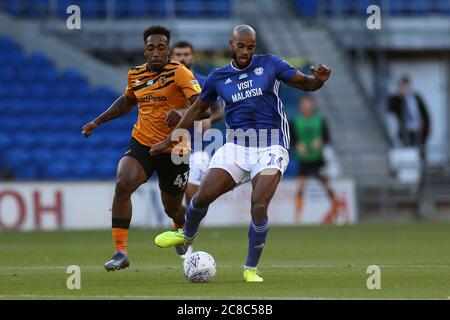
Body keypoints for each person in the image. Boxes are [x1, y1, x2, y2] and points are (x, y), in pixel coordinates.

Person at [150, 25, 331, 282]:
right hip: (237, 146)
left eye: (250, 47)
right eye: (241, 46)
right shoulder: (218, 77)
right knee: (201, 198)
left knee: (258, 204)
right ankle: (187, 234)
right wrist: (171, 137)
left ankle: (250, 269)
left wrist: (319, 80)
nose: (246, 51)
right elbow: (195, 110)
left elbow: (307, 84)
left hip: (272, 144)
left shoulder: (270, 64)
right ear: (231, 44)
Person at [82, 25, 206, 271]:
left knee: (172, 208)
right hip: (142, 143)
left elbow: (204, 107)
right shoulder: (135, 75)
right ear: (145, 51)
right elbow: (127, 101)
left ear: (168, 50)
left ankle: (182, 230)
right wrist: (98, 121)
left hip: (175, 149)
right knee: (123, 183)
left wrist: (181, 112)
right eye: (151, 48)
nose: (157, 52)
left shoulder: (180, 73)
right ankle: (120, 251)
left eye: (161, 48)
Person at [169, 40, 224, 257]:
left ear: (192, 57)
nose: (183, 58)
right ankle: (181, 229)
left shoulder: (202, 82)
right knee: (174, 199)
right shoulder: (166, 83)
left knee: (192, 194)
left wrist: (211, 118)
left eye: (186, 54)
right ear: (173, 57)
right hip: (173, 147)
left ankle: (187, 239)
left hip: (199, 147)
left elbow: (218, 110)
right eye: (178, 54)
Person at [291, 95, 338, 224]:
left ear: (312, 105)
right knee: (300, 186)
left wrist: (321, 141)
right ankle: (297, 217)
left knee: (327, 186)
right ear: (301, 106)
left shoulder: (320, 120)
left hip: (318, 159)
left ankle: (336, 213)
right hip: (304, 159)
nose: (306, 107)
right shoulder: (296, 121)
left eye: (308, 104)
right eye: (304, 104)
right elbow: (292, 140)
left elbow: (327, 138)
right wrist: (297, 145)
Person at [388, 75, 430, 150]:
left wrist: (428, 125)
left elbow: (424, 112)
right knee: (407, 149)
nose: (406, 88)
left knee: (420, 148)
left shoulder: (416, 97)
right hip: (406, 129)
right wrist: (399, 96)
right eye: (404, 86)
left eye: (408, 86)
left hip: (418, 127)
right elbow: (391, 109)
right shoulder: (397, 99)